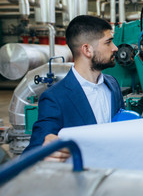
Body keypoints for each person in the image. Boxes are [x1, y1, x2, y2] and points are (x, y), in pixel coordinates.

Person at [23, 15, 125, 161]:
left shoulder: (112, 84)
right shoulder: (55, 98)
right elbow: (32, 152)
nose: (115, 48)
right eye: (108, 42)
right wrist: (45, 152)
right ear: (87, 50)